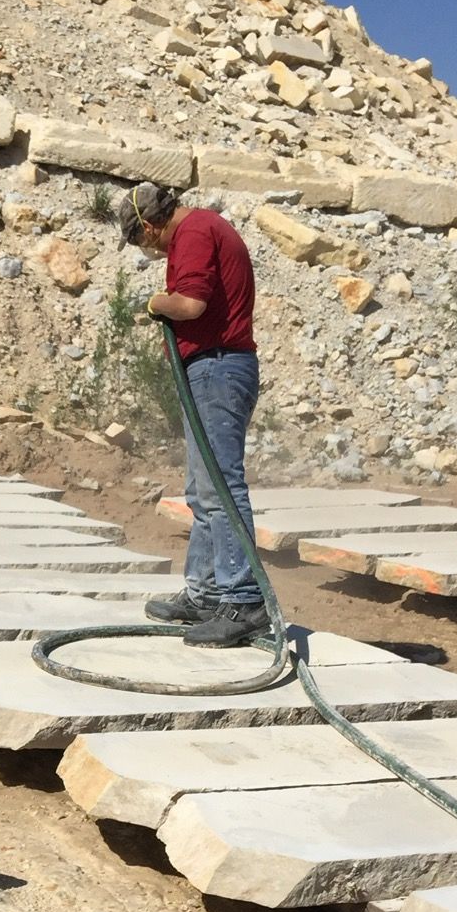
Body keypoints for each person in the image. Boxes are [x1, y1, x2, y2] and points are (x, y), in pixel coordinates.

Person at [118, 180, 266, 647]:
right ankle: (205, 594)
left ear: (148, 225)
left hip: (217, 367)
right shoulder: (199, 230)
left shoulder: (195, 232)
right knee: (203, 491)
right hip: (209, 368)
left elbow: (189, 304)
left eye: (140, 240)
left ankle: (244, 600)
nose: (150, 250)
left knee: (221, 486)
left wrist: (155, 302)